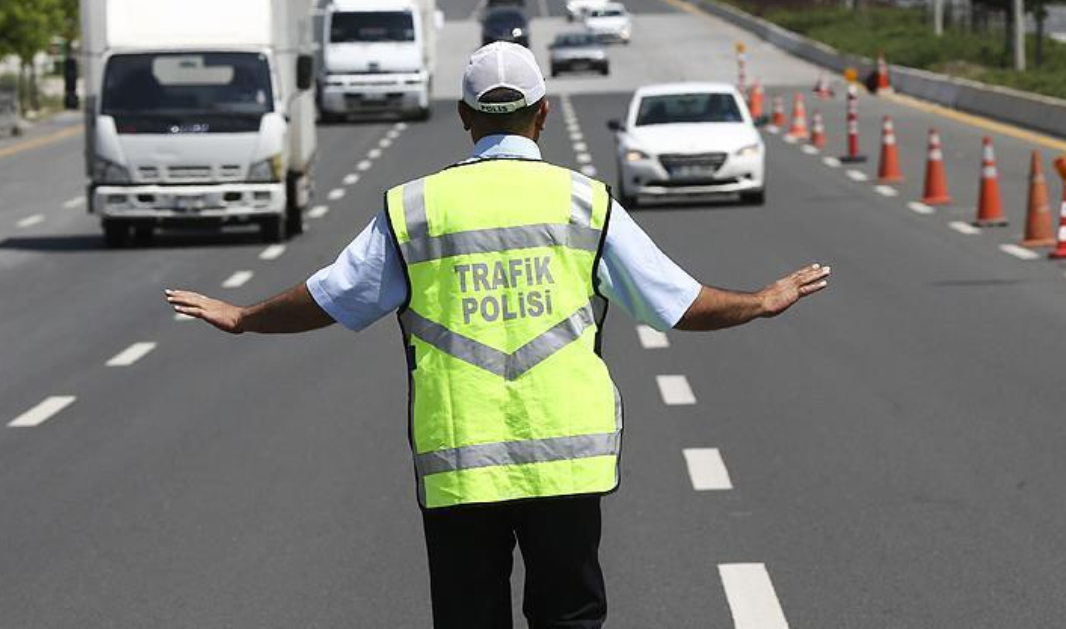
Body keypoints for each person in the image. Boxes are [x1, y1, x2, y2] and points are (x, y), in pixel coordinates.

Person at [166, 42, 830, 629]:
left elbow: (333, 297)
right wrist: (762, 301)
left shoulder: (416, 208)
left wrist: (245, 316)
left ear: (464, 117)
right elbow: (676, 304)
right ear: (541, 115)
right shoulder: (583, 202)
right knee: (569, 616)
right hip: (566, 460)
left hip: (460, 460)